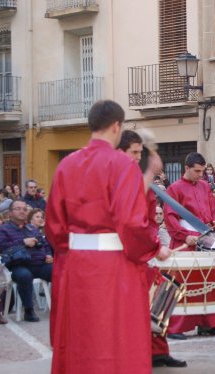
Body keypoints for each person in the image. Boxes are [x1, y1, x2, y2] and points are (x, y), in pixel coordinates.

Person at [45, 100, 170, 373]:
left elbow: (54, 225)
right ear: (117, 126)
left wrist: (73, 250)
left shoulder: (66, 164)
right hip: (115, 265)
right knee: (116, 338)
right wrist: (153, 247)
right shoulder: (122, 165)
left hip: (76, 265)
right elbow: (130, 223)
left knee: (82, 337)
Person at [117, 129, 187, 368]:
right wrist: (156, 247)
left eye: (140, 152)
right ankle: (139, 354)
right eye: (133, 152)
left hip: (142, 247)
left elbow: (146, 219)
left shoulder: (135, 177)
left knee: (159, 297)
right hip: (127, 252)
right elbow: (131, 218)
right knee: (141, 306)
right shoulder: (120, 177)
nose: (137, 157)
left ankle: (157, 352)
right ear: (119, 152)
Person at [163, 152, 215, 340]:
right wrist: (184, 235)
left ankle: (208, 324)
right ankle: (175, 327)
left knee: (209, 282)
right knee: (182, 284)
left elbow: (213, 210)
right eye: (197, 171)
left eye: (202, 171)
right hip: (185, 240)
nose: (200, 175)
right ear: (186, 168)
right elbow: (170, 217)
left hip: (206, 238)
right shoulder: (174, 188)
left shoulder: (206, 186)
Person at [0, 200, 53, 323]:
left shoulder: (32, 228)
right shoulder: (3, 229)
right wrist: (23, 242)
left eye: (24, 209)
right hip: (18, 265)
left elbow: (45, 244)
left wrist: (48, 254)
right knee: (24, 275)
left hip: (39, 264)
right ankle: (28, 310)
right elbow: (0, 247)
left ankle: (62, 305)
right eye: (18, 208)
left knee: (59, 271)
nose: (22, 211)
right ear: (10, 213)